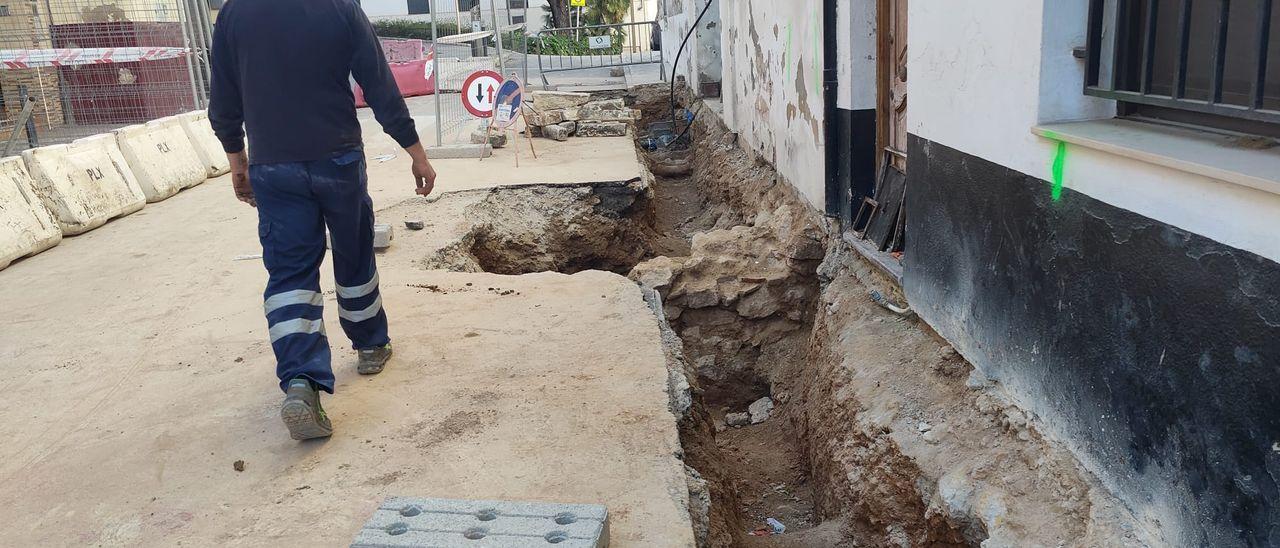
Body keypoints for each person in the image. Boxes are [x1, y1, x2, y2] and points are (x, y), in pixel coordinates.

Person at [209, 0, 437, 440]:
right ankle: (370, 344)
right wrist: (416, 153)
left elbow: (224, 98)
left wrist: (237, 161)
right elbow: (378, 83)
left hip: (273, 166)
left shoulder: (235, 13)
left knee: (290, 273)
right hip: (339, 158)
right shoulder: (338, 6)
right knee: (353, 251)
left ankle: (301, 380)